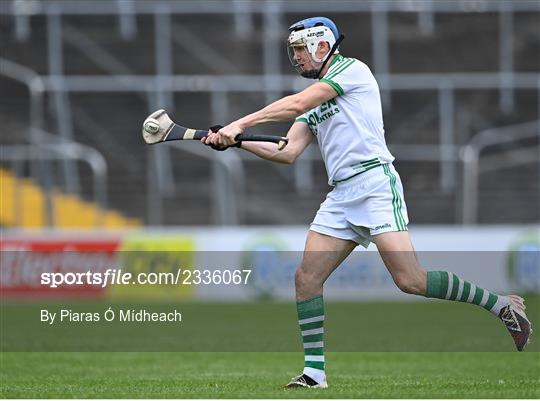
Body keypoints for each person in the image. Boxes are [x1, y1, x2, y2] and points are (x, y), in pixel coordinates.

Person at [202, 16, 532, 388]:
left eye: (299, 49)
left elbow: (296, 103)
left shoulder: (352, 71)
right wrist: (236, 141)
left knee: (411, 281)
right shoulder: (314, 99)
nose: (294, 57)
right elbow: (287, 150)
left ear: (321, 46)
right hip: (341, 195)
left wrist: (238, 124)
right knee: (306, 278)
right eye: (292, 50)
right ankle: (314, 374)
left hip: (375, 183)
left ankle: (500, 305)